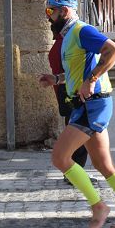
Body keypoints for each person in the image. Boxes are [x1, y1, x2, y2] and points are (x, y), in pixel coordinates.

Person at [37, 0, 115, 228]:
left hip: (94, 104)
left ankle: (98, 206)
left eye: (50, 12)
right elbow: (76, 71)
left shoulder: (81, 30)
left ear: (64, 11)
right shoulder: (69, 36)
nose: (48, 18)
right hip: (86, 103)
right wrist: (55, 78)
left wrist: (92, 79)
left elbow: (114, 50)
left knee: (60, 157)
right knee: (103, 164)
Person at [47, 18, 89, 172]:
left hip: (64, 94)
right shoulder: (65, 45)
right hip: (72, 94)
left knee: (74, 134)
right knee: (78, 139)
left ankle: (73, 172)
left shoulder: (57, 46)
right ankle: (75, 173)